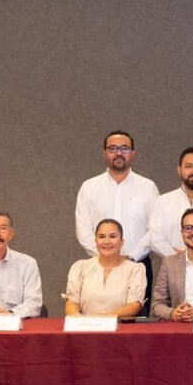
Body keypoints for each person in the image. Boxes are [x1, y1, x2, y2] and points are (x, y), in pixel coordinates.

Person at [74, 130, 159, 312]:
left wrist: (131, 257)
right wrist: (106, 256)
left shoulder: (147, 187)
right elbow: (83, 228)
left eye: (124, 148)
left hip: (138, 265)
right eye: (113, 148)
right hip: (98, 266)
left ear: (133, 153)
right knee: (96, 320)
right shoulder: (89, 187)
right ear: (104, 153)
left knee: (137, 322)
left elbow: (155, 228)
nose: (119, 153)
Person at [64, 219, 145, 317]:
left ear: (122, 242)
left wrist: (101, 319)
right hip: (85, 324)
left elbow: (134, 306)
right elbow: (72, 302)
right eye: (101, 236)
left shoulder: (135, 269)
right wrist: (78, 317)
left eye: (112, 236)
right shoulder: (80, 267)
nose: (107, 241)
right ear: (96, 241)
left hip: (120, 325)